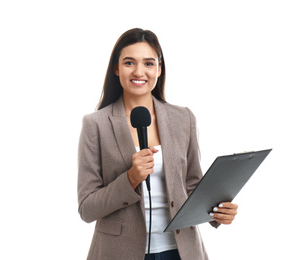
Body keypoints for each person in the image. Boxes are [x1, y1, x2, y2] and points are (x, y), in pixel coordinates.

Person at [77, 28, 238, 260]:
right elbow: (87, 208)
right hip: (120, 253)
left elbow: (192, 187)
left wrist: (218, 212)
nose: (139, 71)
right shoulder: (96, 124)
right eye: (129, 62)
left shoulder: (183, 118)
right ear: (116, 68)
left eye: (149, 63)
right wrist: (131, 178)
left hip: (181, 250)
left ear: (160, 69)